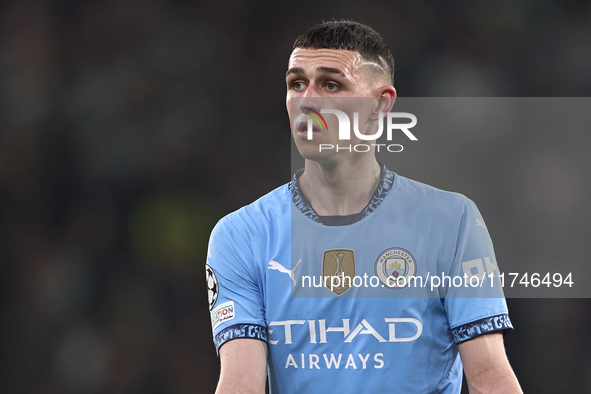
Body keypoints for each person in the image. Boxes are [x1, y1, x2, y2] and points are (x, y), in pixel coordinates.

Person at [206, 20, 522, 393]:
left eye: (331, 84)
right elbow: (241, 385)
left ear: (380, 104)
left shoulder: (451, 222)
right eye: (296, 83)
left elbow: (489, 377)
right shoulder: (241, 234)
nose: (307, 99)